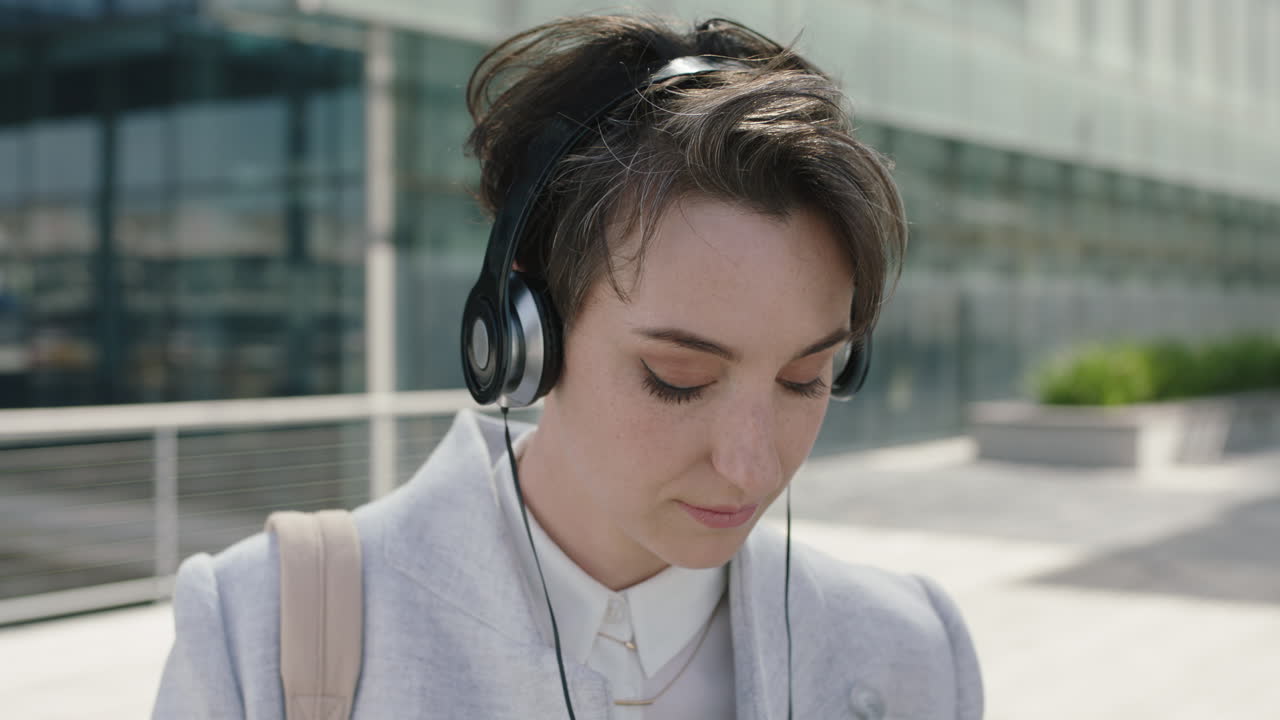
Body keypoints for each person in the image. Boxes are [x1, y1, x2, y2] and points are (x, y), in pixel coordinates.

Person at [153, 14, 983, 720]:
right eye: (678, 378)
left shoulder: (911, 653)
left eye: (806, 377)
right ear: (525, 339)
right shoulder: (259, 632)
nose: (751, 465)